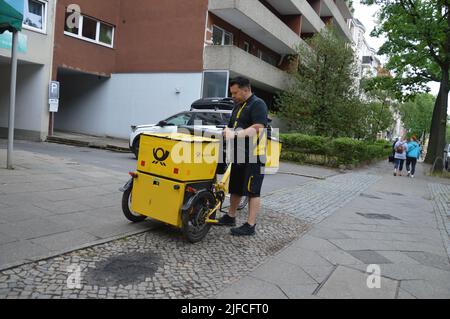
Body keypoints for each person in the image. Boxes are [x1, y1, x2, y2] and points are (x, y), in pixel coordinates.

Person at [217, 76, 268, 236]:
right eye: (232, 93)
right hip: (239, 154)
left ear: (246, 90)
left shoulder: (258, 104)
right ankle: (231, 216)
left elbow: (258, 128)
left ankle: (250, 225)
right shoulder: (238, 105)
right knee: (236, 187)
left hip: (255, 155)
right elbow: (232, 126)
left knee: (253, 190)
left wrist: (235, 134)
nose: (233, 96)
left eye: (235, 93)